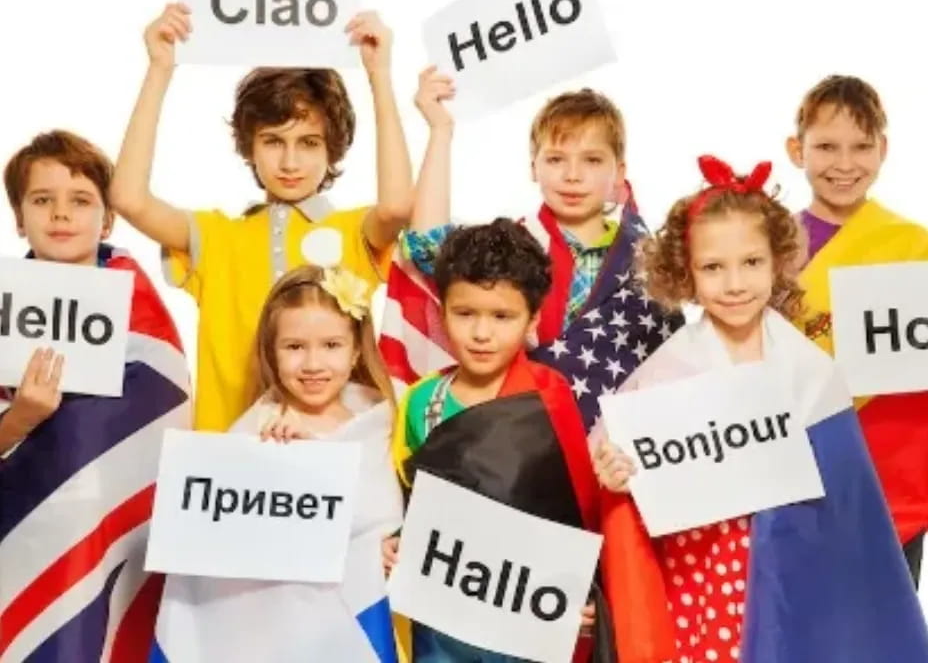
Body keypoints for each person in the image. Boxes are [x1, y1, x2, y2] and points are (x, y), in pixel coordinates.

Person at [593, 156, 928, 663]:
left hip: (799, 571)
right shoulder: (667, 370)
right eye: (713, 268)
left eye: (751, 263)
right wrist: (616, 471)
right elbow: (619, 457)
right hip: (706, 576)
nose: (734, 284)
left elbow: (845, 503)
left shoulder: (813, 369)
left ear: (777, 261)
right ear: (686, 273)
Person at [110, 2, 414, 432]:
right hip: (229, 465)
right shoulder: (216, 236)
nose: (291, 161)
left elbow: (399, 207)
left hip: (329, 460)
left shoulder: (352, 231)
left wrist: (379, 75)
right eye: (273, 141)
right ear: (249, 145)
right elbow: (128, 198)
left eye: (309, 142)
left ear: (333, 150)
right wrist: (160, 68)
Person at [380, 68, 681, 433]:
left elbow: (671, 363)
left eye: (591, 160)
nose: (572, 175)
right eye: (555, 159)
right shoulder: (514, 244)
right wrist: (440, 131)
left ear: (619, 173)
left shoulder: (648, 261)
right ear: (533, 168)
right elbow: (429, 246)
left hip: (616, 447)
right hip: (520, 433)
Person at [0, 130, 190, 662]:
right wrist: (23, 418)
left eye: (80, 200)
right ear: (19, 217)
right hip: (22, 539)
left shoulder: (146, 320)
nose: (61, 214)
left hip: (119, 535)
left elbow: (166, 422)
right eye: (42, 200)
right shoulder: (1, 308)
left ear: (107, 219)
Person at [152, 265, 403, 662]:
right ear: (272, 351)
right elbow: (216, 558)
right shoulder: (251, 434)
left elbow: (392, 519)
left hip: (360, 623)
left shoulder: (385, 424)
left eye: (331, 345)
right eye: (294, 346)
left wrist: (394, 549)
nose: (313, 364)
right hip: (275, 639)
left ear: (356, 349)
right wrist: (285, 464)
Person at [388, 218, 610, 662]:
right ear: (441, 310)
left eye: (502, 316)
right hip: (444, 624)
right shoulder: (421, 401)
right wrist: (396, 543)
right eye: (465, 313)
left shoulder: (549, 398)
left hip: (525, 626)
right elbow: (406, 500)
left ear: (533, 317)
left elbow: (575, 513)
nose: (482, 333)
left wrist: (578, 592)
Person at [787, 74, 928, 585]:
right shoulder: (769, 246)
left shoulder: (914, 247)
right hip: (793, 470)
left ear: (883, 149)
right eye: (826, 146)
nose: (844, 165)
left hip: (890, 477)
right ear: (795, 150)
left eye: (861, 147)